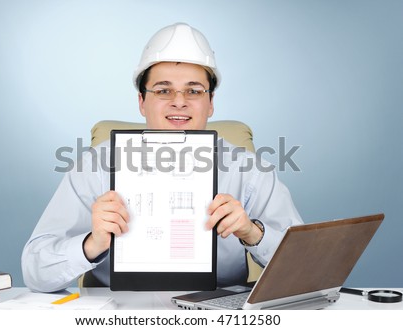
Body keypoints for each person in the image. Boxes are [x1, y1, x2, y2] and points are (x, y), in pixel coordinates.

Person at [22, 22, 303, 292]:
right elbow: (35, 272)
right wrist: (91, 244)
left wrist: (253, 234)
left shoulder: (249, 171)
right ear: (142, 101)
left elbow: (304, 270)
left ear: (211, 103)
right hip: (117, 315)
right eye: (163, 90)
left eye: (193, 90)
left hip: (216, 315)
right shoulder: (95, 167)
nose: (179, 101)